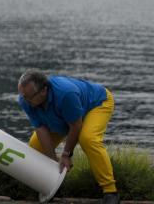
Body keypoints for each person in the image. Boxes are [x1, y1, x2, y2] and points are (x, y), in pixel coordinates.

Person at [17, 71, 118, 204]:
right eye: (23, 96)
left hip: (96, 104)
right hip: (64, 116)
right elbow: (41, 129)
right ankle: (51, 184)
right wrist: (53, 164)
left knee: (88, 139)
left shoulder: (66, 94)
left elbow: (76, 126)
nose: (25, 101)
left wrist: (66, 154)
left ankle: (110, 191)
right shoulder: (26, 100)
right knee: (36, 147)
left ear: (43, 91)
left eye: (29, 97)